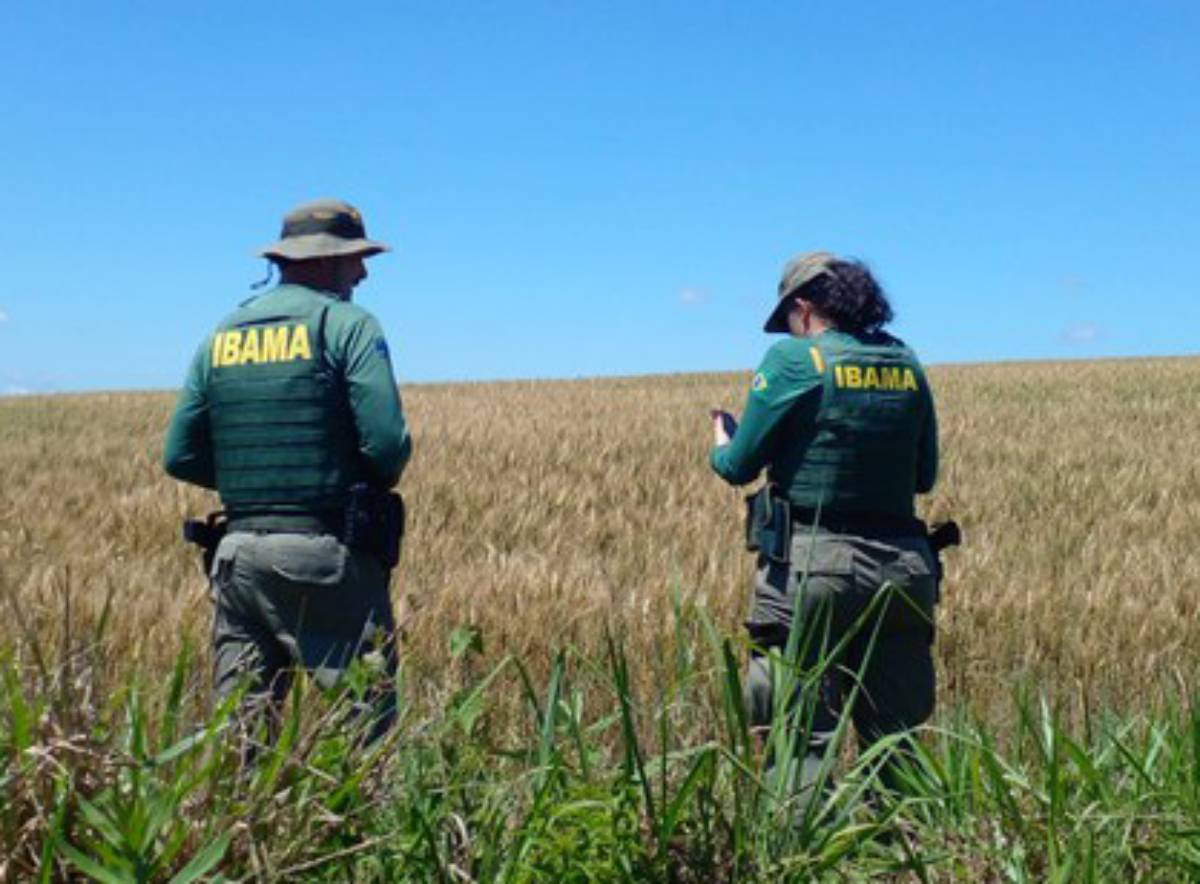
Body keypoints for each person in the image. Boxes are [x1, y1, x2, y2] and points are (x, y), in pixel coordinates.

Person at [163, 198, 412, 743]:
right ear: (324, 260)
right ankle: (358, 829)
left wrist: (257, 484)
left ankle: (244, 828)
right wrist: (326, 480)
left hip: (236, 556)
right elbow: (388, 445)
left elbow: (179, 454)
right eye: (354, 258)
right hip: (324, 553)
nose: (363, 272)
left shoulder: (223, 333)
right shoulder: (346, 324)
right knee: (364, 731)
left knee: (240, 739)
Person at [709, 252, 939, 792]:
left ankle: (802, 859)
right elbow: (924, 477)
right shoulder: (906, 363)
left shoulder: (795, 361)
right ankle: (903, 860)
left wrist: (722, 438)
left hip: (814, 568)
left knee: (799, 732)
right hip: (905, 570)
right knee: (897, 736)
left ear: (805, 308)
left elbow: (738, 466)